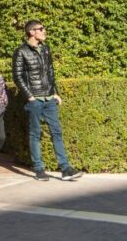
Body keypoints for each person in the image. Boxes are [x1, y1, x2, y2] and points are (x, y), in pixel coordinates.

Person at [13, 20, 82, 182]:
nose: (44, 31)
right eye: (41, 29)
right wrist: (29, 96)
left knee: (56, 132)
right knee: (35, 134)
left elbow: (50, 72)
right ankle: (39, 169)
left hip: (49, 98)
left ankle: (65, 169)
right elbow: (17, 76)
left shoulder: (45, 49)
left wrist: (55, 93)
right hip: (34, 99)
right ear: (31, 32)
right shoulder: (21, 52)